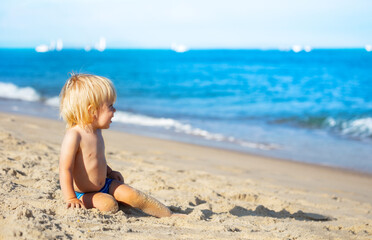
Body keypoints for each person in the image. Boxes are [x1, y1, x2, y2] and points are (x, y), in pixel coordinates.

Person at [59, 73, 173, 217]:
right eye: (110, 106)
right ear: (92, 111)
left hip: (105, 184)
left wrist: (109, 172)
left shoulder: (97, 132)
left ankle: (167, 214)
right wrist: (71, 197)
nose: (114, 111)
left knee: (134, 195)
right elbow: (65, 169)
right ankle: (96, 200)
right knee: (109, 204)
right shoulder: (74, 135)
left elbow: (95, 160)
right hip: (83, 192)